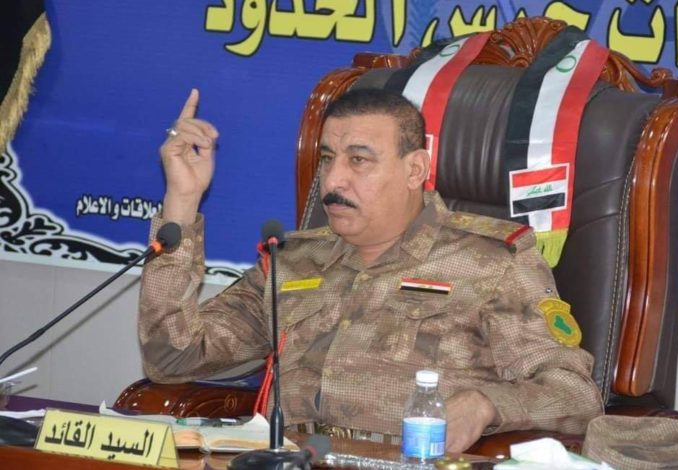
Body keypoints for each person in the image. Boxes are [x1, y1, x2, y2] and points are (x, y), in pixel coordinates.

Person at [138, 87, 603, 453]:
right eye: (327, 159)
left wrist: (486, 406)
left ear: (415, 169)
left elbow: (575, 394)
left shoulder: (492, 262)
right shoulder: (292, 261)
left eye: (358, 160)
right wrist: (182, 200)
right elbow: (173, 358)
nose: (333, 180)